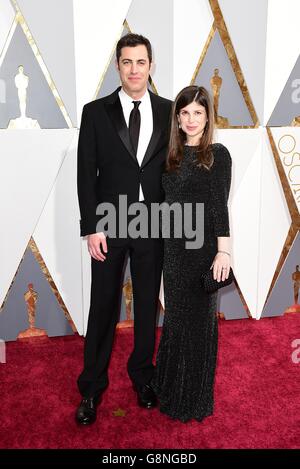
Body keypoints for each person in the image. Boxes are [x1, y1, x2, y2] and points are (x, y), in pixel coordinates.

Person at [75, 33, 172, 425]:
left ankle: (142, 378)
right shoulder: (95, 112)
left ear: (151, 66)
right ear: (118, 65)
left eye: (141, 62)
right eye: (127, 62)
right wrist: (91, 227)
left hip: (153, 223)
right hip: (109, 224)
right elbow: (86, 174)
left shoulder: (169, 111)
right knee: (103, 307)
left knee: (148, 305)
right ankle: (91, 388)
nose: (134, 69)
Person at [151, 85, 232, 423]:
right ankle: (168, 389)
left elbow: (219, 206)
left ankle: (193, 399)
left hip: (202, 252)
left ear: (207, 116)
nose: (191, 119)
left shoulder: (217, 154)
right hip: (173, 252)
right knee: (175, 321)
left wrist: (223, 251)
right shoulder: (170, 156)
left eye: (198, 112)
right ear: (178, 118)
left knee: (198, 325)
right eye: (185, 112)